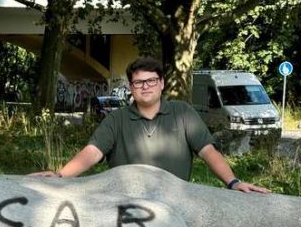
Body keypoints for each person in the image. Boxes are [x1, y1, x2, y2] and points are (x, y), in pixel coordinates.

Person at [32, 57, 269, 193]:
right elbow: (92, 152)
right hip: (126, 205)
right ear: (131, 87)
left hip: (173, 203)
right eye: (138, 83)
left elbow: (208, 151)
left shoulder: (182, 112)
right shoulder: (117, 119)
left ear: (162, 83)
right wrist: (61, 175)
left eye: (151, 81)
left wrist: (234, 182)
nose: (145, 87)